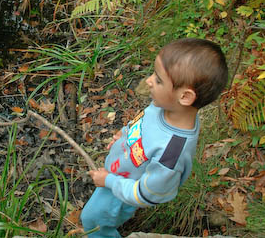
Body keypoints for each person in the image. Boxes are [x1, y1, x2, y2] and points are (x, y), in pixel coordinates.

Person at [80, 38, 228, 237]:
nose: (149, 81)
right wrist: (124, 134)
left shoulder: (171, 152)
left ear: (184, 96)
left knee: (92, 219)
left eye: (158, 80)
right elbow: (142, 124)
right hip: (120, 172)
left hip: (124, 188)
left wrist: (109, 182)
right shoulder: (162, 107)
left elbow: (145, 194)